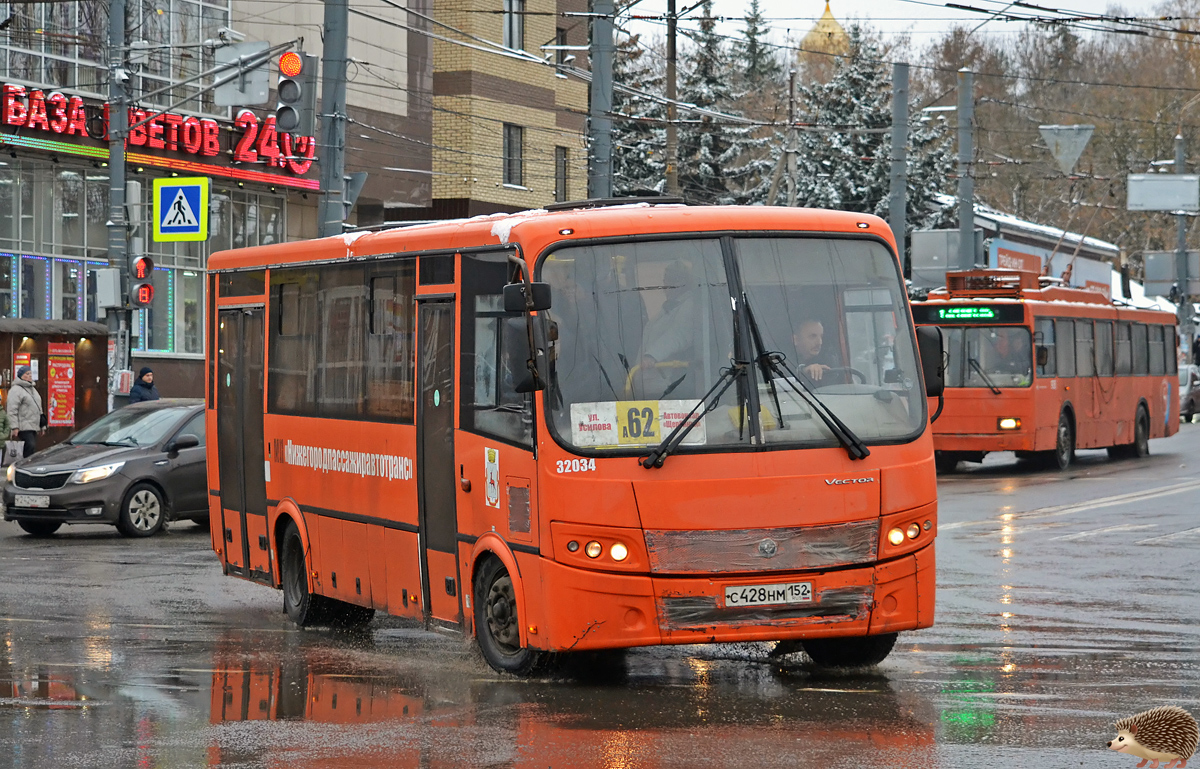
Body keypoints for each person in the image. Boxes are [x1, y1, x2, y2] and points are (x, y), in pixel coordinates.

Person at [8, 366, 44, 458]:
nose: (30, 376)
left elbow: (38, 407)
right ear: (21, 376)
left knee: (31, 447)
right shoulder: (16, 390)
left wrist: (42, 425)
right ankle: (24, 466)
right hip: (23, 425)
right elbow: (12, 409)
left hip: (33, 425)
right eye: (27, 374)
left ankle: (27, 465)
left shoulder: (32, 389)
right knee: (30, 445)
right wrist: (14, 427)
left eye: (30, 373)